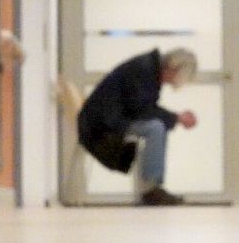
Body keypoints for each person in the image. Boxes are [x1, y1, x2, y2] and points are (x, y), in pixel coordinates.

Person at [77, 48, 198, 205]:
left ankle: (152, 188)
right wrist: (176, 118)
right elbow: (141, 110)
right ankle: (150, 190)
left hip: (108, 119)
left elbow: (143, 108)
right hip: (102, 124)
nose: (173, 82)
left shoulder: (149, 69)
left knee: (158, 125)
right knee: (155, 128)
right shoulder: (144, 70)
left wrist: (174, 118)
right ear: (174, 68)